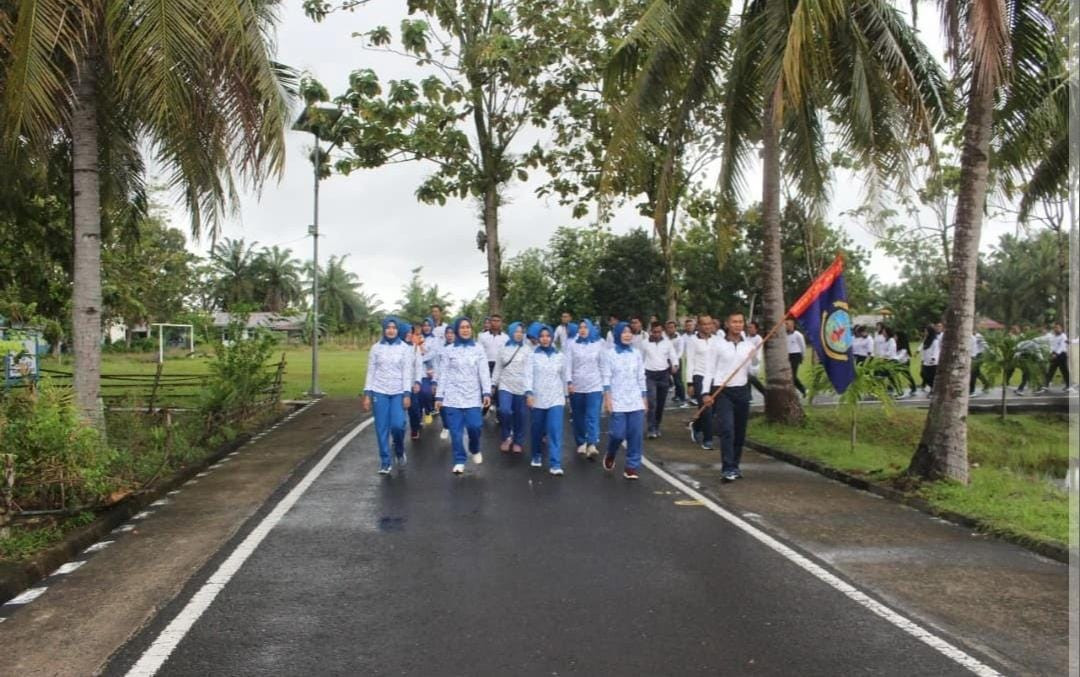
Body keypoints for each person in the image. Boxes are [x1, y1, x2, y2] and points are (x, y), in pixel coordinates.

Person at [702, 311, 757, 482]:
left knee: (740, 431)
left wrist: (754, 359)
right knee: (727, 429)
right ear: (727, 324)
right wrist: (705, 392)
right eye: (734, 322)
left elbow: (754, 371)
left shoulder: (748, 345)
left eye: (740, 322)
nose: (737, 325)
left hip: (742, 390)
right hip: (723, 391)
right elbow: (709, 369)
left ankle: (735, 465)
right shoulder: (717, 344)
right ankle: (727, 468)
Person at [433, 317, 491, 475]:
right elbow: (443, 374)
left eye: (468, 327)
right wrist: (439, 396)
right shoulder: (449, 350)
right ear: (457, 330)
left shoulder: (478, 348)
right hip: (453, 397)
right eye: (462, 327)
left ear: (471, 329)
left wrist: (486, 392)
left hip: (472, 396)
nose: (465, 330)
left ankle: (474, 448)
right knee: (456, 432)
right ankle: (459, 460)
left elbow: (484, 372)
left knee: (475, 427)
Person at [362, 317, 415, 475]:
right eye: (388, 328)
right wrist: (367, 394)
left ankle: (399, 450)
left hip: (398, 392)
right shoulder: (376, 348)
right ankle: (385, 461)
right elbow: (371, 372)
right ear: (384, 329)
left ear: (397, 330)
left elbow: (407, 373)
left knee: (398, 425)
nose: (391, 330)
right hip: (379, 391)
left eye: (394, 328)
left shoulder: (405, 348)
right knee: (381, 428)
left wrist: (407, 394)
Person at [601, 321, 647, 480]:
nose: (627, 335)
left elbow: (641, 376)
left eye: (630, 332)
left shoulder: (636, 353)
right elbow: (606, 378)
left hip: (635, 399)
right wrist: (608, 398)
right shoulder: (609, 354)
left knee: (635, 435)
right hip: (618, 399)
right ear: (617, 334)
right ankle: (611, 453)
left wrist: (644, 398)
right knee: (617, 434)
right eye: (624, 332)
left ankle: (631, 467)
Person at [525, 325, 569, 475]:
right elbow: (528, 375)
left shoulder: (559, 356)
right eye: (542, 336)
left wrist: (566, 395)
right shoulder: (532, 355)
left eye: (548, 336)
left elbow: (564, 376)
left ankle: (555, 463)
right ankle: (536, 454)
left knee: (555, 430)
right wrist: (529, 393)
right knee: (537, 429)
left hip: (556, 398)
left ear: (551, 338)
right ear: (538, 338)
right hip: (538, 398)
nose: (545, 339)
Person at [566, 318, 604, 459]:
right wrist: (569, 382)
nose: (582, 330)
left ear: (590, 328)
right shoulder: (572, 344)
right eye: (580, 327)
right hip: (577, 386)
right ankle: (581, 441)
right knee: (578, 416)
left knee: (592, 415)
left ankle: (592, 443)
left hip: (594, 385)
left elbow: (602, 365)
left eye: (585, 327)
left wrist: (605, 385)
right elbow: (568, 364)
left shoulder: (598, 344)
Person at [492, 322, 530, 453]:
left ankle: (518, 441)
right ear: (511, 332)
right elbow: (498, 367)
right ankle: (506, 436)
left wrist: (530, 390)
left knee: (520, 415)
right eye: (516, 331)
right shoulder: (503, 348)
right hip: (505, 385)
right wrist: (493, 384)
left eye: (521, 332)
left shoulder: (527, 350)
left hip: (521, 387)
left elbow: (529, 371)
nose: (519, 334)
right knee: (504, 411)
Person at [642, 321, 679, 439]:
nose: (657, 334)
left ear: (662, 331)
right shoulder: (645, 343)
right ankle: (651, 428)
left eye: (659, 332)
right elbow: (640, 358)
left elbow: (673, 355)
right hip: (649, 375)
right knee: (651, 402)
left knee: (661, 403)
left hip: (664, 375)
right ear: (650, 332)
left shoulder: (667, 343)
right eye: (654, 332)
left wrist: (675, 365)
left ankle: (657, 425)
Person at [686, 315, 717, 448]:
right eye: (704, 324)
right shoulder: (693, 341)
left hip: (714, 377)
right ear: (699, 326)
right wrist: (690, 383)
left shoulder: (717, 340)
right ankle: (708, 439)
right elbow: (690, 362)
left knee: (712, 408)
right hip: (699, 376)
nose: (707, 326)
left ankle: (696, 426)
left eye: (709, 324)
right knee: (706, 407)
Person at [1038, 323, 1073, 393]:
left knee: (1064, 371)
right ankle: (1045, 386)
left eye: (1057, 328)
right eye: (1055, 328)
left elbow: (1062, 346)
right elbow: (1051, 345)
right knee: (1050, 370)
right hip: (1054, 355)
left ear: (1061, 329)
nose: (1056, 329)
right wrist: (1051, 353)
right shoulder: (1053, 336)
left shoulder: (1063, 336)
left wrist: (1056, 354)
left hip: (1062, 355)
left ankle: (1069, 386)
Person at [664, 320, 687, 405]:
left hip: (676, 361)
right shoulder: (664, 337)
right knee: (665, 380)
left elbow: (680, 352)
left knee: (678, 380)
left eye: (672, 327)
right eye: (668, 328)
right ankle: (676, 396)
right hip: (665, 361)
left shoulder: (680, 339)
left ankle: (682, 398)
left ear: (675, 328)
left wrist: (674, 363)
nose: (670, 329)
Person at [891, 330, 918, 398]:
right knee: (893, 375)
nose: (894, 337)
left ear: (899, 337)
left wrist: (894, 358)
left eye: (895, 336)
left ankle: (913, 388)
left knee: (907, 375)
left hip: (904, 363)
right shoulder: (895, 343)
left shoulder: (904, 345)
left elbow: (901, 355)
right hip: (898, 363)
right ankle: (899, 389)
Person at [744, 321, 767, 397]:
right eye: (748, 327)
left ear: (756, 329)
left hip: (755, 361)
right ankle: (748, 396)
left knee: (751, 378)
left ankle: (764, 392)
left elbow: (755, 351)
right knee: (747, 379)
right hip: (747, 361)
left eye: (751, 327)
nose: (749, 329)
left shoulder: (758, 339)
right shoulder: (746, 338)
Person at [785, 318, 807, 397]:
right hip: (788, 355)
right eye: (785, 324)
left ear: (793, 325)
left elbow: (802, 345)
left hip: (796, 355)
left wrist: (803, 355)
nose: (786, 326)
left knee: (792, 376)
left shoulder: (798, 335)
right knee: (789, 375)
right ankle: (802, 389)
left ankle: (802, 390)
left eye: (787, 324)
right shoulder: (784, 335)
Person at [969, 330, 991, 396]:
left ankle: (972, 391)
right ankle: (986, 383)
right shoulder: (972, 336)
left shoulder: (978, 336)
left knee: (973, 372)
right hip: (975, 355)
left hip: (980, 355)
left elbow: (986, 346)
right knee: (976, 372)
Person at [919, 324, 939, 393]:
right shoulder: (926, 340)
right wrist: (921, 356)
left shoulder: (935, 341)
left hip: (932, 363)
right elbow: (923, 348)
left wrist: (933, 358)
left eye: (926, 331)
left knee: (931, 377)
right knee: (923, 374)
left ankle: (933, 389)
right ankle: (932, 387)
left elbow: (936, 351)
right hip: (926, 361)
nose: (925, 333)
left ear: (930, 332)